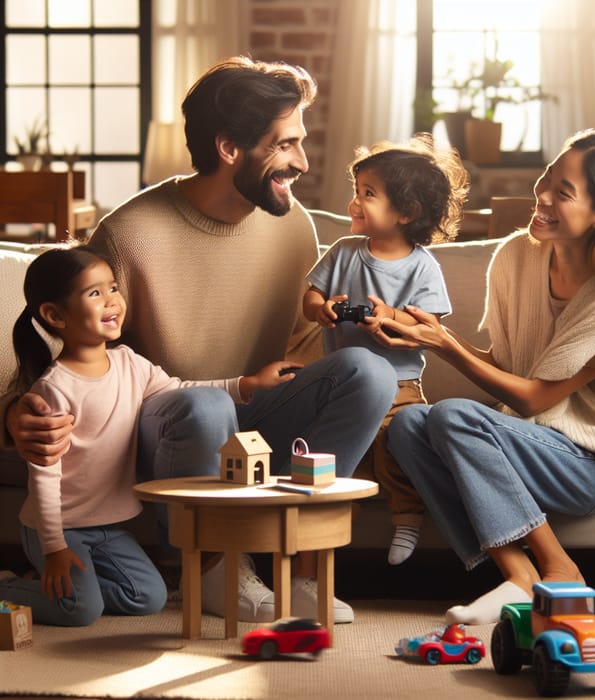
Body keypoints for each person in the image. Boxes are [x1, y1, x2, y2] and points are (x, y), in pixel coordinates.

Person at [0, 56, 397, 625]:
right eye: (285, 145)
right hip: (164, 432)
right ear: (230, 148)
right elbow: (67, 351)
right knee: (207, 404)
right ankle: (213, 567)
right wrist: (16, 414)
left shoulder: (295, 227)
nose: (303, 163)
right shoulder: (131, 234)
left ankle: (302, 571)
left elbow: (308, 350)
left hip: (255, 424)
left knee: (368, 372)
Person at [381, 129, 595, 624]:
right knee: (409, 426)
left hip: (586, 462)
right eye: (547, 177)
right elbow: (507, 366)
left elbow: (533, 400)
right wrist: (431, 332)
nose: (542, 195)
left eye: (563, 193)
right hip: (520, 441)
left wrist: (445, 346)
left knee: (455, 416)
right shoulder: (514, 256)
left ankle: (560, 568)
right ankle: (519, 575)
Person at [0, 246, 309, 626]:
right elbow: (44, 478)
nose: (112, 300)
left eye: (113, 288)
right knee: (81, 610)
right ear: (54, 315)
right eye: (94, 293)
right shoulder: (54, 391)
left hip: (106, 530)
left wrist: (247, 384)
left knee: (149, 597)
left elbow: (181, 389)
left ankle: (74, 590)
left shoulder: (130, 363)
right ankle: (13, 587)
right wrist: (54, 548)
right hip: (57, 528)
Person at [303, 135, 468, 565]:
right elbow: (310, 296)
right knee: (346, 453)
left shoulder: (422, 266)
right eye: (356, 193)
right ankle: (331, 531)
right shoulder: (343, 252)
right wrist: (322, 308)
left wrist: (390, 317)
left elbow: (429, 324)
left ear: (406, 213)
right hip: (344, 384)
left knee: (396, 445)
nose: (355, 203)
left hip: (400, 384)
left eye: (369, 195)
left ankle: (408, 517)